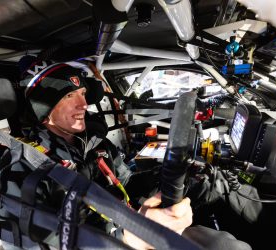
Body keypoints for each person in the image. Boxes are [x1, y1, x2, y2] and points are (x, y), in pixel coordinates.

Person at [20, 56, 251, 250]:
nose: (83, 104)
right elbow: (49, 237)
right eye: (70, 96)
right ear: (45, 109)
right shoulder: (30, 163)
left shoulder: (95, 143)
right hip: (114, 241)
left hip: (131, 218)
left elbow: (126, 181)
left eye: (82, 94)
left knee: (214, 184)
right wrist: (130, 236)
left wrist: (168, 176)